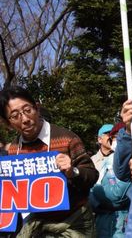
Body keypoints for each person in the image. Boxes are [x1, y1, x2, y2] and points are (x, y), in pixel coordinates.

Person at [0, 86, 98, 237]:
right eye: (15, 115)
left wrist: (73, 172)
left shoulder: (67, 139)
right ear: (8, 123)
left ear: (37, 108)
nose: (25, 119)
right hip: (36, 224)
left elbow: (92, 175)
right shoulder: (12, 151)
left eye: (28, 110)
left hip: (74, 222)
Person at [90, 123, 131, 238]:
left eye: (116, 136)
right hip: (102, 220)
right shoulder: (91, 162)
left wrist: (96, 191)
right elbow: (87, 192)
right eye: (109, 135)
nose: (111, 138)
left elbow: (116, 196)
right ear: (99, 139)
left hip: (123, 222)